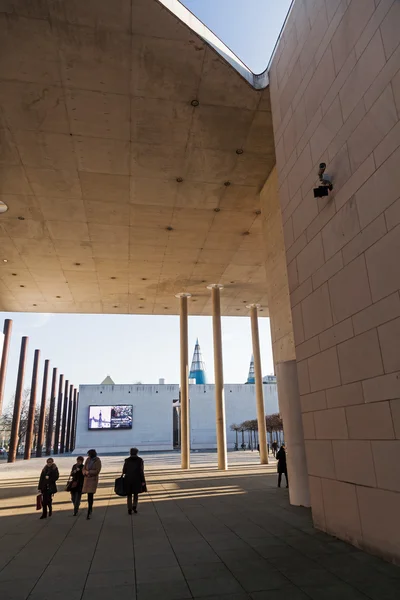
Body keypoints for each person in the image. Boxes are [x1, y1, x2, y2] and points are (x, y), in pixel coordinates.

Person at [122, 448, 146, 514]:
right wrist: (143, 480)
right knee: (136, 493)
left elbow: (124, 471)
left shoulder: (127, 460)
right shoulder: (140, 460)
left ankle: (129, 508)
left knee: (129, 494)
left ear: (130, 453)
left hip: (128, 479)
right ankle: (134, 506)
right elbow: (141, 471)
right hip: (137, 479)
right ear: (137, 453)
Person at [82, 449, 102, 520]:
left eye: (89, 454)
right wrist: (85, 472)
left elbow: (97, 470)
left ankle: (89, 510)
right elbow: (83, 468)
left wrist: (89, 472)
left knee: (90, 495)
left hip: (92, 480)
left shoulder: (97, 461)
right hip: (87, 480)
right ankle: (89, 509)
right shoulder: (88, 460)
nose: (88, 456)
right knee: (88, 495)